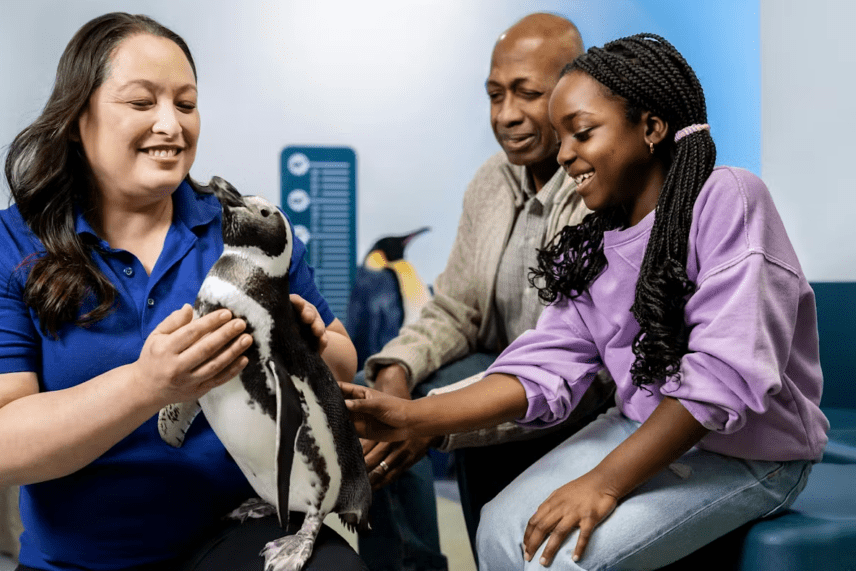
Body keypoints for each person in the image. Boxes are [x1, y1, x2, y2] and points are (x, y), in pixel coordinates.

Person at [343, 33, 828, 570]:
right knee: (501, 533)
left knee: (560, 560)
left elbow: (720, 379)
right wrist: (416, 416)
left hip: (747, 454)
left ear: (649, 127)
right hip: (639, 424)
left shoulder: (729, 198)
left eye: (581, 132)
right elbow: (544, 365)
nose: (565, 152)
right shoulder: (595, 241)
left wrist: (604, 482)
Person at [0, 12, 365, 571]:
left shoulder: (242, 233)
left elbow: (344, 367)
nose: (171, 125)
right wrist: (148, 384)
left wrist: (308, 345)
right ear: (76, 116)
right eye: (142, 104)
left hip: (236, 538)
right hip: (80, 561)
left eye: (186, 105)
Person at [355, 13, 614, 568]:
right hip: (494, 366)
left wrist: (430, 416)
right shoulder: (491, 180)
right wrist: (397, 373)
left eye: (527, 94)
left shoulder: (601, 186)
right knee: (371, 396)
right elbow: (456, 309)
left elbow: (584, 371)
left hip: (571, 392)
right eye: (495, 94)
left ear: (573, 92)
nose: (505, 114)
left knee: (412, 414)